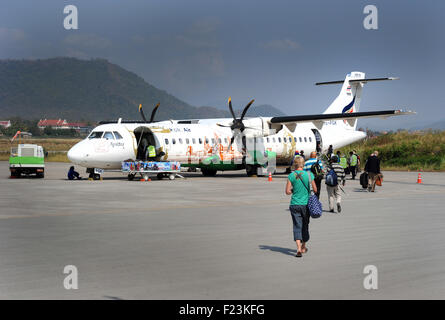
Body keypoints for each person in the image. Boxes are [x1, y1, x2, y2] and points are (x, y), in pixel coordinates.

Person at [285, 157, 317, 258]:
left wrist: (294, 190)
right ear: (303, 164)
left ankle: (298, 249)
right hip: (306, 204)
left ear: (295, 164)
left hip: (294, 204)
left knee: (297, 226)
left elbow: (287, 192)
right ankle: (303, 246)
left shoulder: (291, 175)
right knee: (305, 225)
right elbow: (315, 190)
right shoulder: (309, 175)